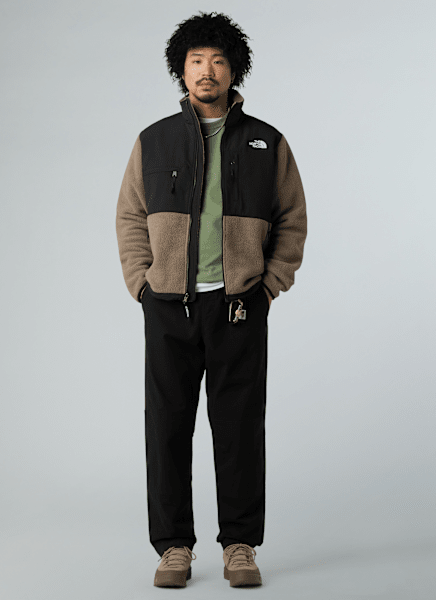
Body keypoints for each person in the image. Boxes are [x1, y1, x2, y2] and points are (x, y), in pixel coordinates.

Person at [116, 11, 307, 588]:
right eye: (196, 60)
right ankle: (174, 547)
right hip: (168, 306)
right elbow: (130, 216)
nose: (207, 70)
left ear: (233, 70)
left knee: (240, 429)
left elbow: (292, 220)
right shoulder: (153, 140)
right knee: (167, 429)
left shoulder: (266, 141)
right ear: (181, 69)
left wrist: (268, 284)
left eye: (218, 61)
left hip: (239, 307)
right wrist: (142, 283)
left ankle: (240, 546)